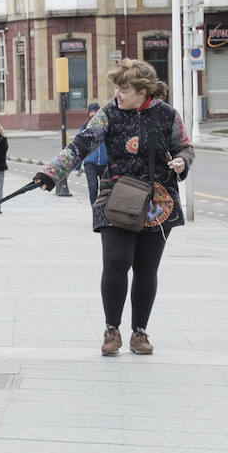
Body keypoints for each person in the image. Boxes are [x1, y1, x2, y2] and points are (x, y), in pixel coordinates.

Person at [31, 58, 194, 357]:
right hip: (116, 196)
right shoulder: (108, 114)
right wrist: (51, 174)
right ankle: (112, 329)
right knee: (116, 262)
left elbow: (185, 146)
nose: (118, 93)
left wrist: (182, 160)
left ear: (144, 90)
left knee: (147, 269)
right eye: (117, 87)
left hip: (157, 203)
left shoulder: (168, 115)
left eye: (125, 88)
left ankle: (139, 332)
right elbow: (79, 145)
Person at [80, 102, 108, 206]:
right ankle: (94, 210)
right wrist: (78, 166)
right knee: (93, 188)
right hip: (90, 163)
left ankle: (104, 210)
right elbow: (80, 147)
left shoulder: (105, 127)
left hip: (104, 163)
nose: (93, 114)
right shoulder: (84, 128)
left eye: (95, 111)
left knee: (105, 189)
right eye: (91, 112)